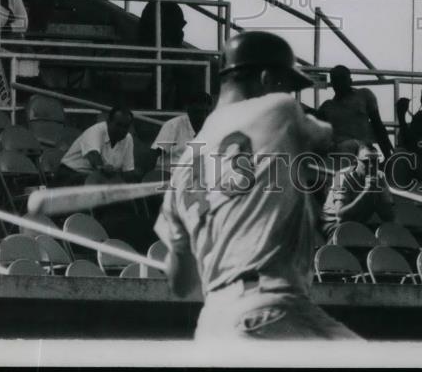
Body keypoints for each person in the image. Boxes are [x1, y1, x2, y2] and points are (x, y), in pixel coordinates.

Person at [154, 30, 360, 341]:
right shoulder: (279, 109)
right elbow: (324, 134)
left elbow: (182, 284)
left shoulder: (186, 162)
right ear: (265, 78)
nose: (289, 94)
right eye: (286, 85)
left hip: (215, 322)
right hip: (271, 308)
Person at [317, 65, 394, 161]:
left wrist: (388, 156)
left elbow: (378, 125)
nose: (339, 83)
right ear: (332, 83)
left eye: (342, 79)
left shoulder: (364, 95)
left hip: (363, 151)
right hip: (339, 154)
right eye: (336, 79)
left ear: (350, 81)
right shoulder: (327, 106)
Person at [320, 142, 394, 240]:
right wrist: (365, 193)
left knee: (388, 236)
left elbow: (389, 217)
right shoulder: (340, 176)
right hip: (334, 226)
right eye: (366, 162)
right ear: (355, 161)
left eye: (375, 161)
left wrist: (379, 195)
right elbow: (341, 217)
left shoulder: (380, 176)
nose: (372, 166)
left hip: (359, 225)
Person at [137, 0, 187, 107]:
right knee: (167, 71)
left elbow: (178, 36)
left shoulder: (174, 8)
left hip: (169, 54)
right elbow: (145, 37)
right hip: (155, 54)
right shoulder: (151, 8)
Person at [56, 107, 144, 186]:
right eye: (118, 125)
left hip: (98, 179)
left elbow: (128, 171)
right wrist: (104, 168)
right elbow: (94, 158)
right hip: (71, 175)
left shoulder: (128, 138)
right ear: (108, 122)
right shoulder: (96, 130)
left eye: (126, 127)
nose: (122, 130)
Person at [149, 91, 213, 176]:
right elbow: (155, 154)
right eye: (198, 112)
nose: (202, 116)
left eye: (206, 112)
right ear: (188, 109)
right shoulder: (173, 125)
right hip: (170, 176)